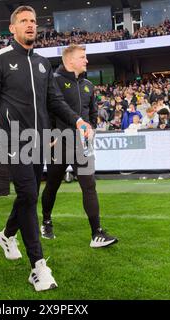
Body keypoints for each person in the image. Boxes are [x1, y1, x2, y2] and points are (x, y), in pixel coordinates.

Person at [0, 6, 92, 292]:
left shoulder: (42, 64)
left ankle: (6, 234)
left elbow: (55, 102)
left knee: (29, 196)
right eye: (24, 21)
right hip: (11, 139)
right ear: (12, 28)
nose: (30, 25)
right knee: (27, 194)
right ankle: (38, 267)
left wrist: (77, 120)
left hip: (40, 141)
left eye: (34, 21)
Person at [40, 45, 118, 248]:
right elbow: (46, 111)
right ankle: (46, 221)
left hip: (81, 146)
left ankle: (96, 233)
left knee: (89, 185)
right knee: (53, 185)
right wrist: (49, 135)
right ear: (69, 60)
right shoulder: (53, 81)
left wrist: (90, 129)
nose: (87, 61)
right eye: (82, 57)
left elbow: (92, 114)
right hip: (59, 143)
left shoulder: (88, 85)